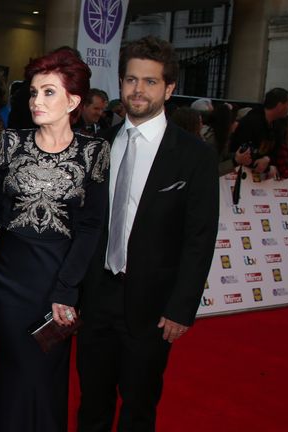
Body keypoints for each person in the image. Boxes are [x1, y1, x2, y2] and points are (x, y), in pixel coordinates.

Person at [77, 36, 219, 432]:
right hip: (97, 298)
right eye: (131, 80)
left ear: (169, 88)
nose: (138, 90)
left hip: (153, 308)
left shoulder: (194, 156)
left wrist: (181, 307)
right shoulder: (97, 146)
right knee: (92, 402)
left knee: (139, 407)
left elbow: (200, 237)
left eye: (150, 81)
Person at [0, 47, 109, 432]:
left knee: (45, 376)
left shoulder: (94, 152)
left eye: (48, 92)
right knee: (8, 371)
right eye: (33, 92)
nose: (36, 100)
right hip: (7, 281)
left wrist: (67, 289)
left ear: (74, 100)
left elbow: (90, 228)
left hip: (57, 282)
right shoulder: (11, 143)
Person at [231, 87, 288, 174]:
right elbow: (241, 151)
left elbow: (279, 150)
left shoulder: (278, 125)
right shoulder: (250, 122)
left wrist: (267, 159)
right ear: (279, 105)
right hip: (240, 175)